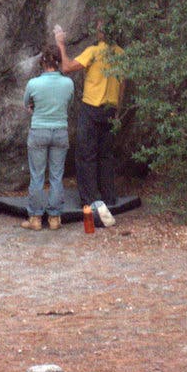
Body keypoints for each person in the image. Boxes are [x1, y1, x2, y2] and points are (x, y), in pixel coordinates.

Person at [54, 21, 125, 225]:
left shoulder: (94, 51)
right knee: (105, 155)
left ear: (101, 32)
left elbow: (66, 67)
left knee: (86, 155)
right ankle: (109, 197)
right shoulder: (121, 54)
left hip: (92, 107)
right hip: (110, 109)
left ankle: (90, 200)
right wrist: (118, 111)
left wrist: (60, 44)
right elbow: (122, 85)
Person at [21, 47, 74, 231]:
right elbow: (69, 103)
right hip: (60, 130)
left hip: (39, 130)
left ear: (42, 62)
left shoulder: (33, 83)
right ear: (58, 62)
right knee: (56, 176)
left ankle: (35, 218)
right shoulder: (68, 83)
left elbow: (27, 104)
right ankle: (54, 218)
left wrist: (35, 109)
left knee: (37, 176)